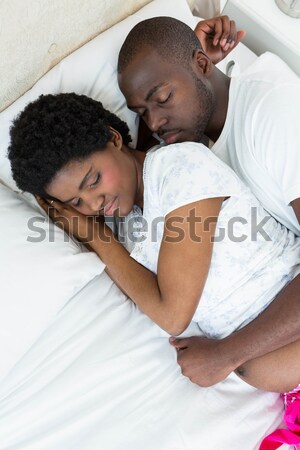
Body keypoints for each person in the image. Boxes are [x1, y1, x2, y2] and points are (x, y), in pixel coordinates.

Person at [7, 93, 300, 398]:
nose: (94, 203)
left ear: (113, 138)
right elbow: (148, 298)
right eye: (76, 203)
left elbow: (173, 315)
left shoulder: (179, 169)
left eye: (93, 181)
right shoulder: (123, 222)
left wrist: (97, 238)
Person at [116, 15, 300, 388]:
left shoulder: (273, 111)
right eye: (141, 113)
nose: (154, 124)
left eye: (163, 98)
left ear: (202, 65)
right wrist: (192, 72)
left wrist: (227, 354)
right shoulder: (197, 139)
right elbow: (155, 168)